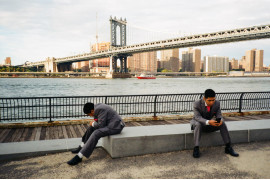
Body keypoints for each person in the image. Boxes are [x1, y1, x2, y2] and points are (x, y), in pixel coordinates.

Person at [190, 89, 239, 158]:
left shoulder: (217, 103)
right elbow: (197, 117)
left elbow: (219, 115)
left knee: (223, 123)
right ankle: (196, 148)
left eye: (213, 100)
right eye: (209, 100)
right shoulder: (197, 103)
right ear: (204, 98)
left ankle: (228, 147)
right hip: (197, 124)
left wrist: (219, 121)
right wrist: (209, 122)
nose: (212, 102)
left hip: (210, 124)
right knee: (198, 124)